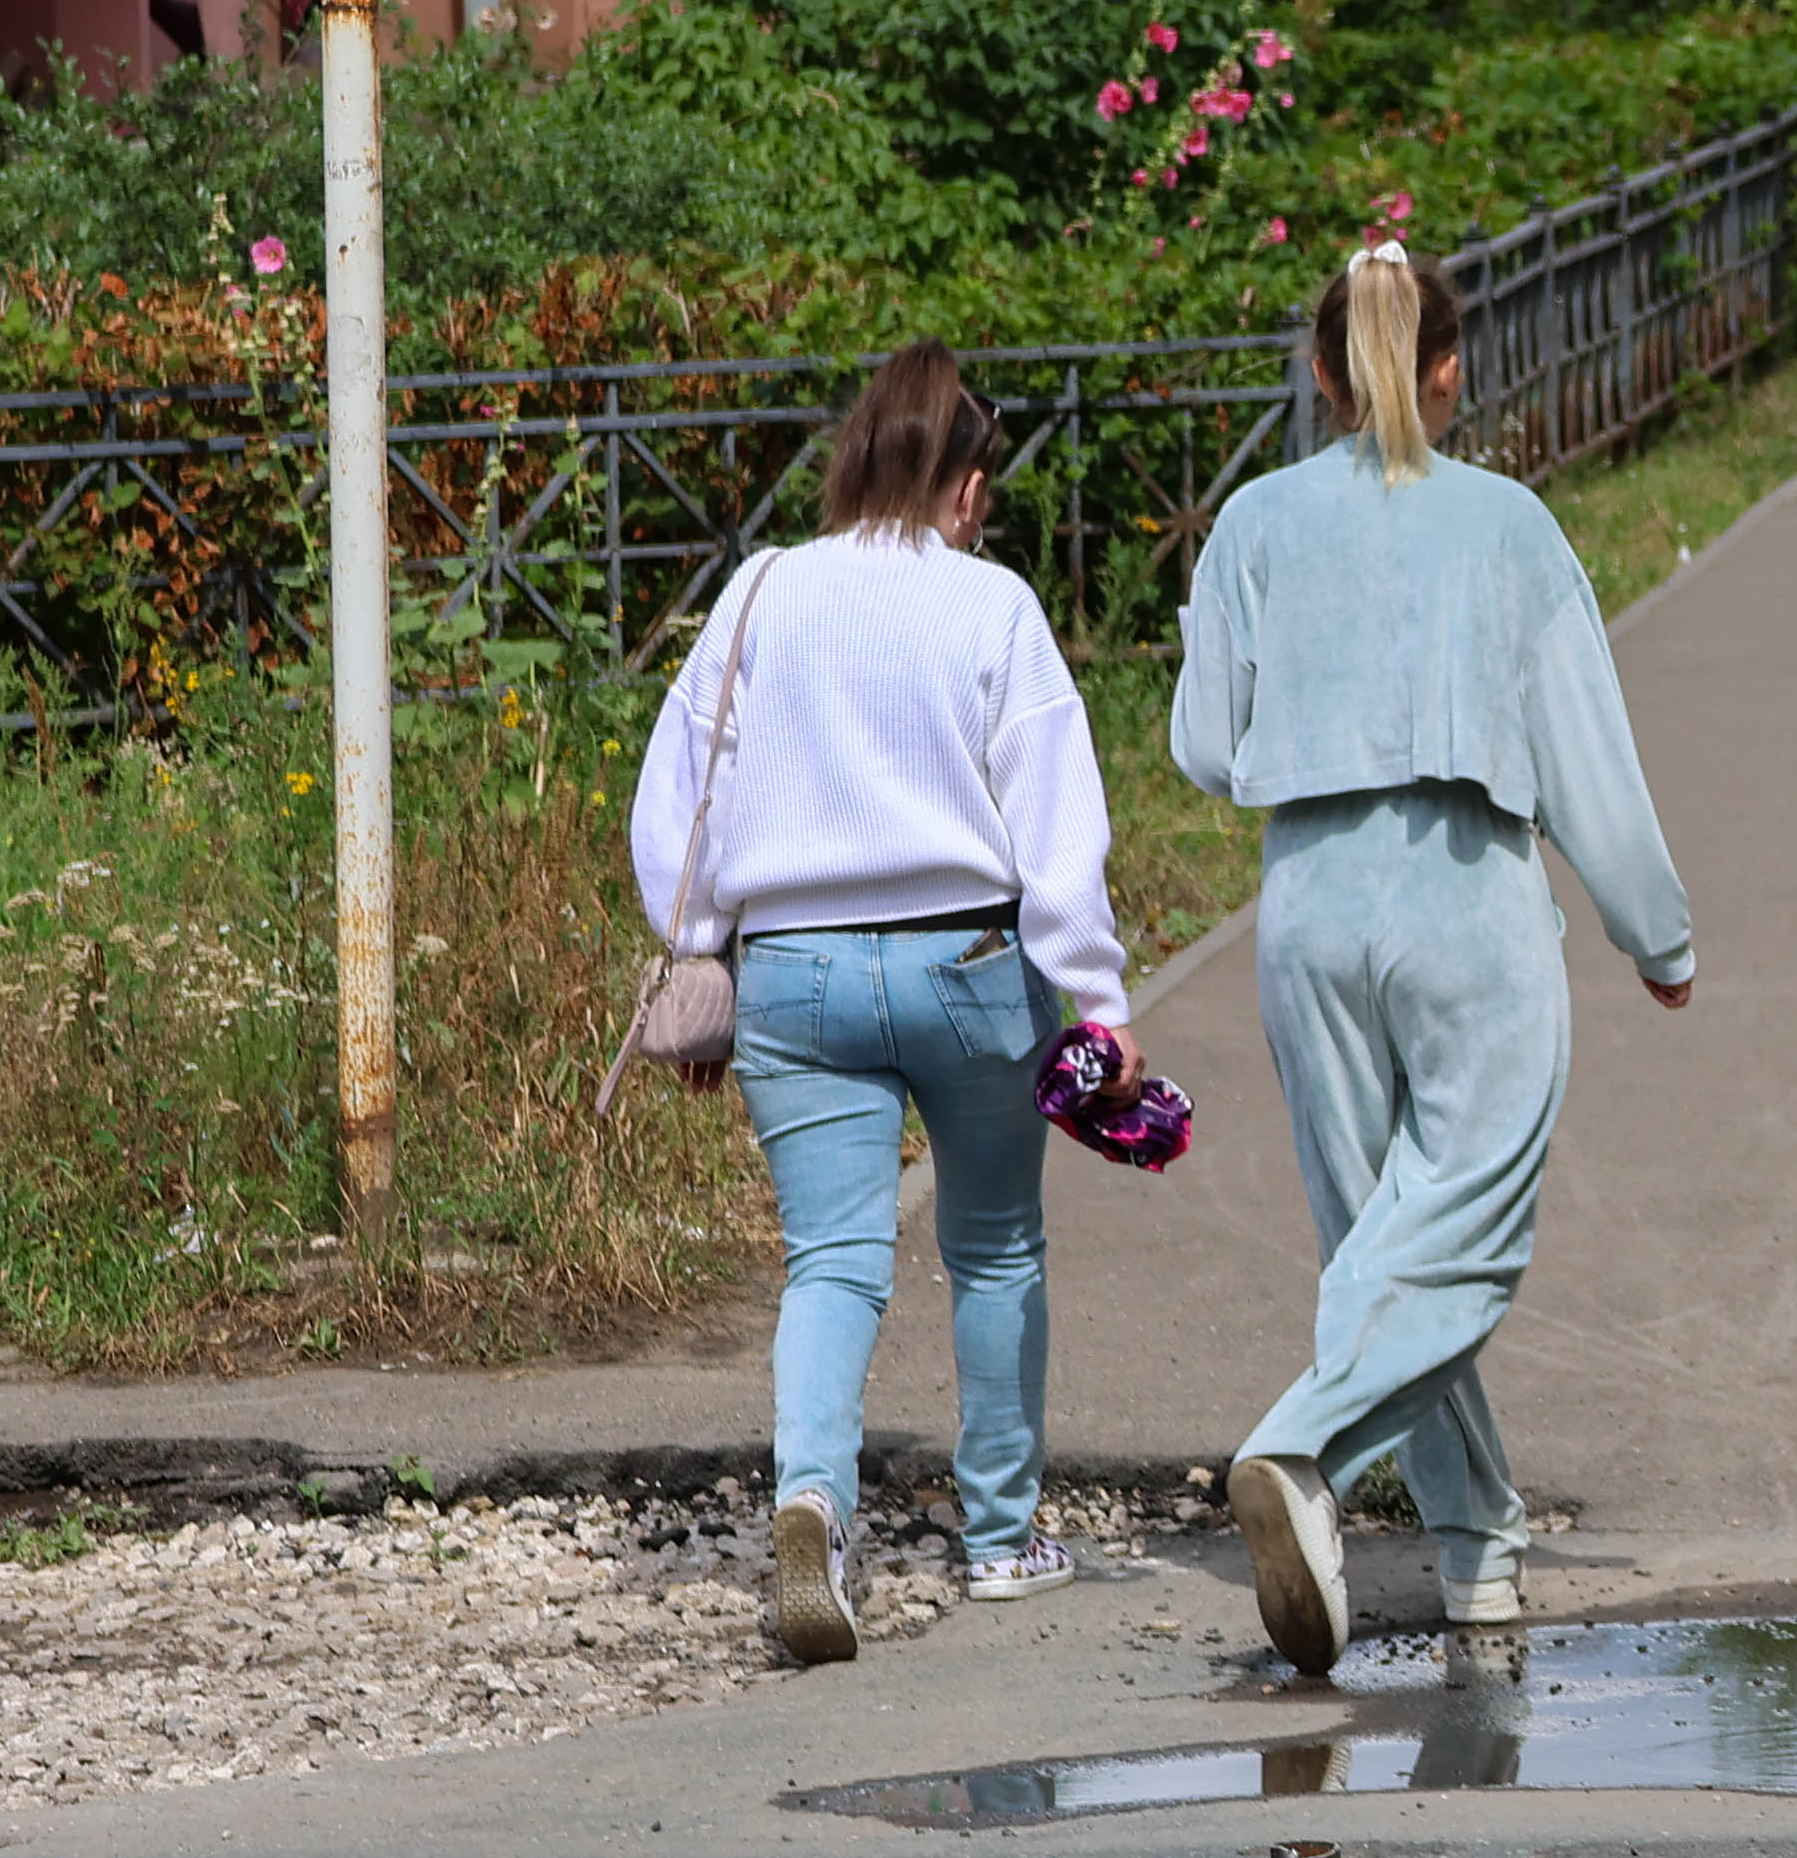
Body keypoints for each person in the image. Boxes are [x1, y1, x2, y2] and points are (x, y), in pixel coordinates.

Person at [1177, 227, 1700, 1660]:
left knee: (1380, 1243)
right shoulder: (1507, 526)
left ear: (1321, 375)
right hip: (1468, 888)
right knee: (1460, 1235)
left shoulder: (1256, 524)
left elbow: (1205, 748)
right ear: (1450, 367)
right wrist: (1654, 931)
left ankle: (1477, 1546)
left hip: (1310, 898)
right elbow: (1586, 750)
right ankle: (1302, 1452)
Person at [627, 347, 1131, 1667]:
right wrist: (1098, 993)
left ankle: (813, 1509)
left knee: (835, 1260)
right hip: (970, 968)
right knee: (996, 1247)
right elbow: (1056, 821)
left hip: (793, 975)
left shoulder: (760, 592)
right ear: (965, 485)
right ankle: (1005, 1538)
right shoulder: (995, 607)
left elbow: (678, 791)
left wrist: (698, 951)